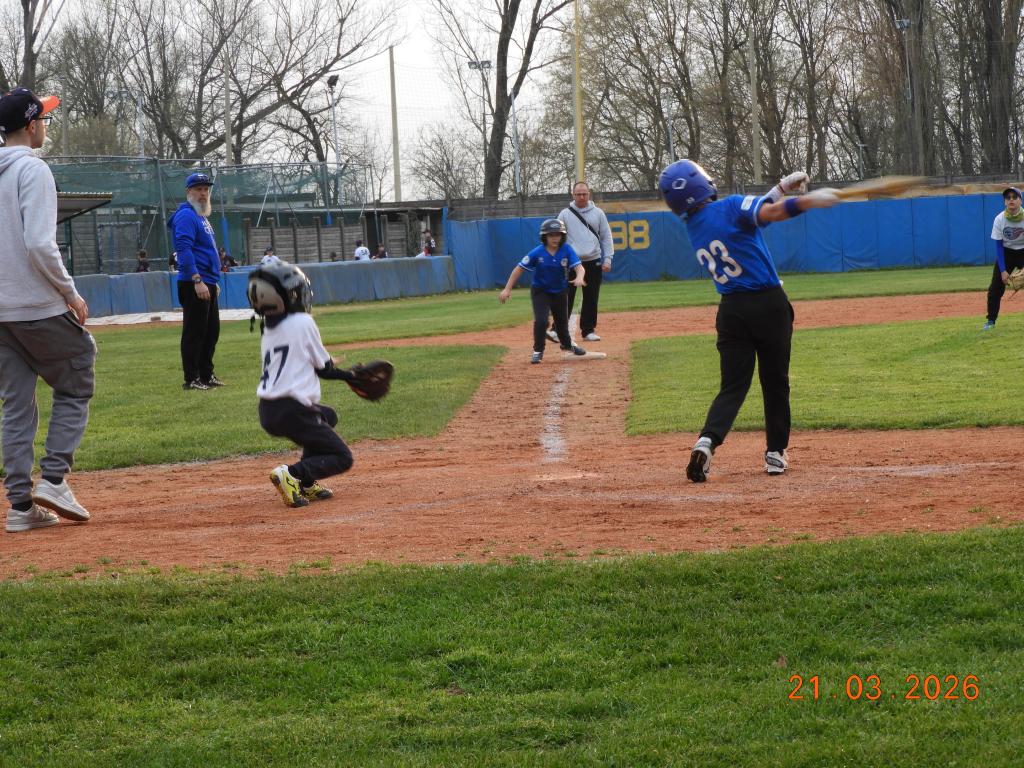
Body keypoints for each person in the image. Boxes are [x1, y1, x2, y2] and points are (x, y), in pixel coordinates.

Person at [658, 160, 839, 482]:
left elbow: (749, 216)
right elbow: (770, 213)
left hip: (731, 312)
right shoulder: (728, 206)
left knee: (732, 387)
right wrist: (808, 201)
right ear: (701, 183)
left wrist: (781, 188)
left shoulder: (695, 227)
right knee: (775, 381)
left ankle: (707, 441)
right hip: (768, 304)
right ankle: (775, 453)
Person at [0, 87, 95, 533]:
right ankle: (54, 480)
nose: (44, 126)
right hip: (36, 304)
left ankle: (20, 507)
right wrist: (69, 293)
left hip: (1, 313)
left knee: (17, 406)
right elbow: (40, 243)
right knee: (77, 377)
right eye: (43, 119)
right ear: (31, 124)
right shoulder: (32, 169)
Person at [247, 262, 354, 508]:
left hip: (269, 411)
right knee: (343, 457)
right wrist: (350, 376)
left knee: (327, 416)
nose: (299, 295)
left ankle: (306, 482)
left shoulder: (268, 328)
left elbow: (302, 357)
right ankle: (292, 474)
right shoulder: (303, 321)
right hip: (293, 409)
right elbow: (324, 369)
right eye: (294, 291)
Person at [499, 218, 588, 364]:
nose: (555, 238)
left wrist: (579, 277)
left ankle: (567, 344)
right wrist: (507, 289)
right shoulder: (538, 252)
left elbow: (580, 268)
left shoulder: (567, 249)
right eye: (551, 235)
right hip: (541, 291)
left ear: (562, 236)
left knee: (562, 323)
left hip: (560, 292)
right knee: (541, 321)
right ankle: (538, 350)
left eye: (558, 234)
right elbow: (519, 268)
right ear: (544, 236)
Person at [169, 172, 224, 390]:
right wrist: (197, 279)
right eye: (198, 189)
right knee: (195, 332)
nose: (203, 193)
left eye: (206, 189)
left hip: (207, 280)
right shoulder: (186, 215)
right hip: (194, 281)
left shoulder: (200, 216)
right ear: (188, 192)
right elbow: (183, 249)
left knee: (211, 331)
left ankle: (206, 375)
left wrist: (211, 280)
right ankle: (191, 378)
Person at [548, 181, 614, 343]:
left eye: (584, 194)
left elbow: (606, 237)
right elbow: (557, 237)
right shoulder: (565, 214)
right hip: (570, 263)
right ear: (573, 195)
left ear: (589, 194)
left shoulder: (598, 213)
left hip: (593, 261)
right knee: (565, 297)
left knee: (591, 297)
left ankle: (588, 331)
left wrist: (608, 258)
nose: (582, 197)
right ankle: (557, 330)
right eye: (578, 194)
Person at [982, 186, 1024, 330]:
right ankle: (990, 321)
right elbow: (999, 246)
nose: (1011, 200)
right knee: (995, 289)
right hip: (1006, 253)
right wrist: (1003, 271)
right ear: (1005, 202)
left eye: (1014, 197)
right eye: (1008, 197)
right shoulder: (1000, 219)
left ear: (1020, 200)